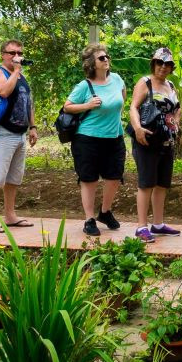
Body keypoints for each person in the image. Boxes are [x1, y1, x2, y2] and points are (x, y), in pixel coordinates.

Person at [62, 43, 126, 237]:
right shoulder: (84, 86)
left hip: (115, 137)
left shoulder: (116, 79)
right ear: (92, 63)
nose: (106, 60)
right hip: (87, 139)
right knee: (89, 179)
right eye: (101, 58)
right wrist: (88, 105)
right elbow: (67, 107)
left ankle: (105, 212)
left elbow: (122, 99)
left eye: (107, 56)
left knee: (114, 177)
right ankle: (89, 219)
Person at [128, 47, 182, 243]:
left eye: (167, 64)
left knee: (162, 184)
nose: (163, 67)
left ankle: (158, 224)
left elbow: (177, 108)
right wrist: (137, 128)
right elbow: (133, 107)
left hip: (166, 140)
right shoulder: (145, 83)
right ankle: (141, 226)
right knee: (146, 183)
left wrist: (175, 121)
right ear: (154, 64)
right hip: (147, 139)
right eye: (160, 62)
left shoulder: (170, 85)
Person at [0, 39, 37, 233]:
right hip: (3, 132)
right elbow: (4, 91)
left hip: (20, 133)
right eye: (12, 53)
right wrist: (15, 72)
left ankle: (10, 215)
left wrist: (33, 127)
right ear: (3, 55)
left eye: (19, 53)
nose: (16, 57)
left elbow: (28, 102)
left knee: (14, 177)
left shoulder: (21, 76)